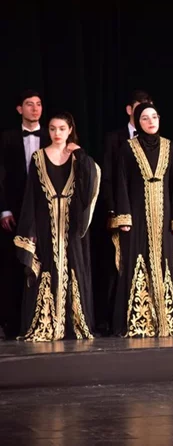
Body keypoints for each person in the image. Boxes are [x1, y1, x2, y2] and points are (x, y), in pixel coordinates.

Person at [14, 112, 100, 341]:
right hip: (45, 222)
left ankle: (73, 323)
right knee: (47, 266)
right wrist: (29, 232)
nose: (57, 133)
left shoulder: (78, 157)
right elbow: (31, 196)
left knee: (74, 265)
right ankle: (48, 323)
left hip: (71, 224)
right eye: (52, 129)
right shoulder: (38, 157)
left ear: (70, 129)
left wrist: (80, 155)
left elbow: (89, 185)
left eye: (61, 128)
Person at [112, 103, 173, 337]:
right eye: (145, 118)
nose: (151, 121)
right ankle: (139, 322)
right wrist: (124, 216)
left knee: (164, 261)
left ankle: (165, 320)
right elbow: (120, 182)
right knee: (137, 260)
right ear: (137, 122)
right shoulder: (127, 148)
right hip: (136, 214)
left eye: (154, 116)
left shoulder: (170, 147)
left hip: (163, 215)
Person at [99, 89, 152, 333]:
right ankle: (112, 318)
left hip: (149, 209)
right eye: (140, 108)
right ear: (130, 110)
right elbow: (109, 177)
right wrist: (114, 209)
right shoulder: (115, 138)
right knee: (117, 264)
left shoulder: (159, 141)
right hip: (121, 209)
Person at [0, 90, 49, 339]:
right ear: (20, 109)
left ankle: (41, 319)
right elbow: (2, 177)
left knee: (43, 263)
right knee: (14, 264)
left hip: (46, 210)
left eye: (38, 104)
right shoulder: (7, 138)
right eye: (29, 105)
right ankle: (12, 322)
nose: (35, 109)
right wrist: (4, 208)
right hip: (16, 211)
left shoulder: (52, 134)